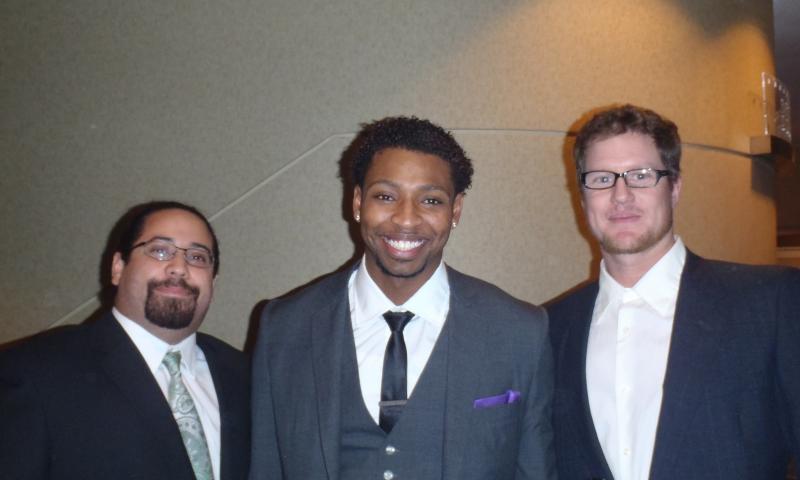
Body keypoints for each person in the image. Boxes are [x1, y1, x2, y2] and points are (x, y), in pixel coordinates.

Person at [249, 116, 555, 479]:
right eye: (385, 196)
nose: (406, 219)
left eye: (430, 200)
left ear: (455, 210)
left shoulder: (519, 331)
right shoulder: (285, 327)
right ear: (358, 202)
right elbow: (265, 467)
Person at [548, 104, 800, 480]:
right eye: (601, 179)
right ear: (582, 198)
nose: (621, 195)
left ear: (675, 188)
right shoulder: (550, 328)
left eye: (641, 175)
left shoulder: (769, 303)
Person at [0, 201, 250, 480]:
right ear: (118, 268)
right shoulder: (35, 371)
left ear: (212, 283)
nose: (179, 267)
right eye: (160, 250)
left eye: (197, 257)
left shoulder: (246, 376)